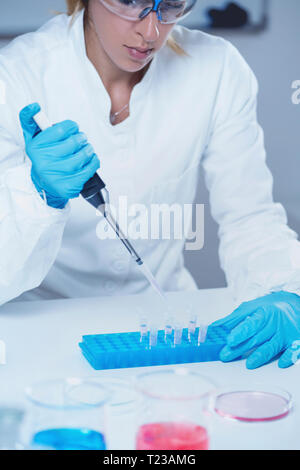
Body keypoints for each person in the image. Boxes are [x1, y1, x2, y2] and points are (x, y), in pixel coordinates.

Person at [0, 0, 300, 368]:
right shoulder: (15, 75)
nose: (151, 32)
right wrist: (36, 194)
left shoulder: (217, 68)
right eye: (130, 2)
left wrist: (284, 289)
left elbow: (249, 217)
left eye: (172, 5)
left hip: (165, 324)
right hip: (45, 334)